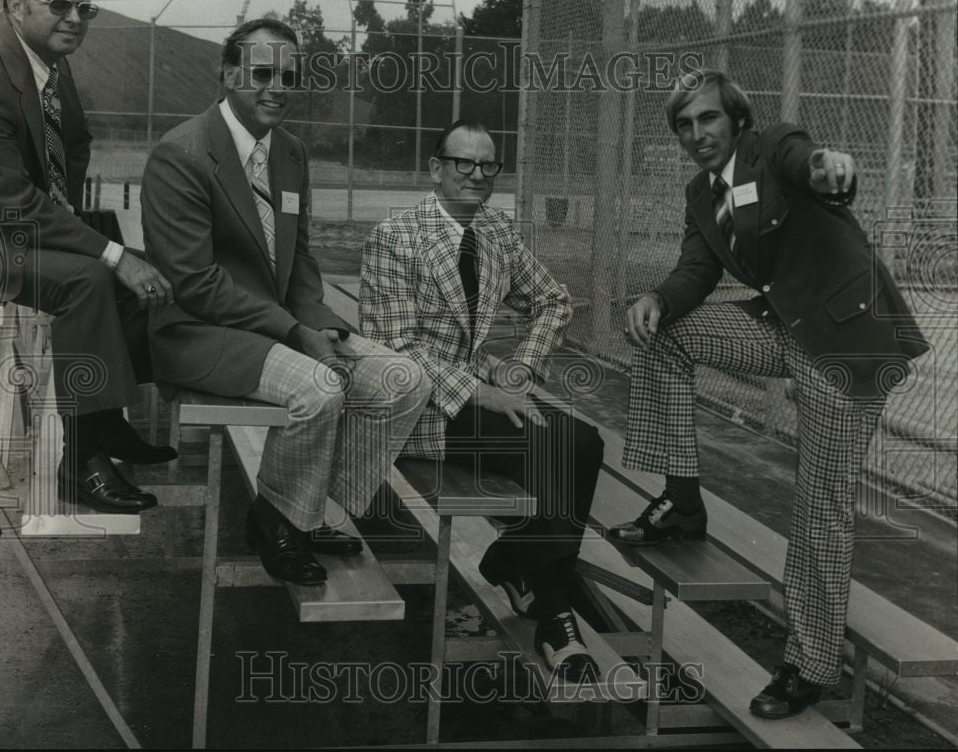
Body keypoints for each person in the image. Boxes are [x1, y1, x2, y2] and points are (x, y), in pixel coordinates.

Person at [610, 70, 929, 718]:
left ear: (734, 118)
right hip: (782, 328)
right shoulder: (701, 193)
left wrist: (827, 167)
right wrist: (654, 298)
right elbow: (697, 270)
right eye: (684, 125)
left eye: (707, 118)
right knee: (661, 332)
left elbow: (808, 162)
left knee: (819, 507)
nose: (697, 134)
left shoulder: (773, 146)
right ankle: (682, 501)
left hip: (846, 340)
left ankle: (810, 664)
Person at [141, 17, 430, 585]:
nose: (277, 86)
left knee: (405, 379)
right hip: (199, 331)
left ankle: (307, 509)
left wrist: (316, 318)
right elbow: (195, 282)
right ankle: (276, 523)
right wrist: (295, 333)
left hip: (274, 325)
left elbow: (298, 257)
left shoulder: (290, 151)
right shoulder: (182, 153)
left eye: (289, 76)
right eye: (261, 73)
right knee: (320, 389)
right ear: (226, 74)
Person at [360, 120, 604, 682]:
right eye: (463, 163)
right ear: (436, 168)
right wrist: (483, 392)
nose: (476, 175)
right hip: (414, 406)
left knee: (582, 443)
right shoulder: (396, 236)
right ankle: (554, 614)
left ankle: (516, 562)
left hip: (479, 391)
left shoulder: (496, 231)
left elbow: (553, 301)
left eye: (487, 165)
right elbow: (396, 352)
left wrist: (520, 368)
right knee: (551, 453)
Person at [0, 0, 175, 515]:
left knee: (149, 267)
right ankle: (78, 459)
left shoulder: (48, 56)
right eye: (59, 5)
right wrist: (100, 249)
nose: (74, 18)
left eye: (85, 7)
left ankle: (103, 421)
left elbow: (74, 140)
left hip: (17, 225)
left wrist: (70, 215)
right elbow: (7, 201)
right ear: (14, 5)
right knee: (89, 275)